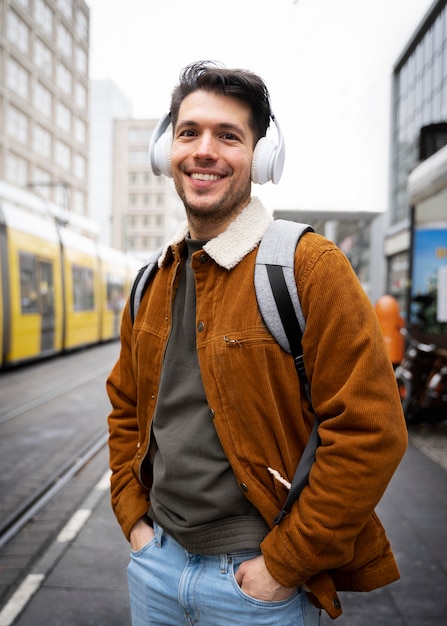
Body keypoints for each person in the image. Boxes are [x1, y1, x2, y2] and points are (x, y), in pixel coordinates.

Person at [107, 61, 408, 625]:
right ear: (165, 150)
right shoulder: (152, 279)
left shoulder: (309, 267)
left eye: (229, 136)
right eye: (190, 131)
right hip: (156, 565)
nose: (205, 150)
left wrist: (285, 564)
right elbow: (125, 409)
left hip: (256, 585)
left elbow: (372, 431)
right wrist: (134, 522)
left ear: (262, 157)